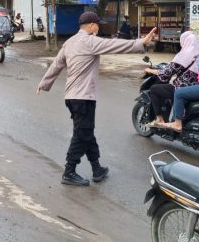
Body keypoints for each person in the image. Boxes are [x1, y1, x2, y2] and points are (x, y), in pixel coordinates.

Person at [37, 12, 157, 186]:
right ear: (92, 25)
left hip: (71, 97)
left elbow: (57, 64)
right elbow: (114, 45)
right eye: (98, 24)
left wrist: (44, 83)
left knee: (86, 133)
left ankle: (97, 168)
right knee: (81, 134)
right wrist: (141, 42)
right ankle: (69, 171)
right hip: (83, 98)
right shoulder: (90, 41)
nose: (99, 27)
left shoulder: (69, 42)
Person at [145, 31, 199, 127]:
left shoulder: (184, 55)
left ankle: (159, 119)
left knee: (154, 89)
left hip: (182, 88)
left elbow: (165, 74)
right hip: (198, 88)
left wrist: (150, 70)